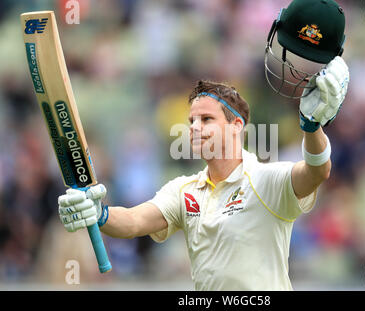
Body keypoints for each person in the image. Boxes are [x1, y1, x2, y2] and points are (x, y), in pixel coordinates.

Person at [57, 0, 349, 290]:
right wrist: (99, 214)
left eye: (206, 119)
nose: (195, 128)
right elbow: (133, 221)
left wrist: (311, 127)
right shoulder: (185, 192)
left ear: (236, 127)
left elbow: (316, 172)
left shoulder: (266, 181)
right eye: (192, 121)